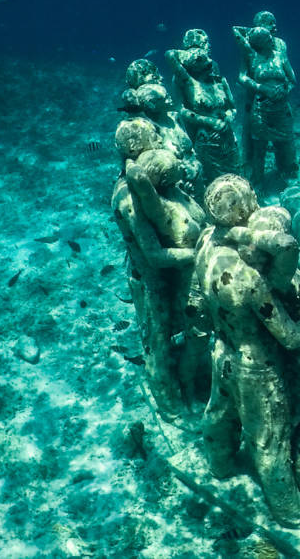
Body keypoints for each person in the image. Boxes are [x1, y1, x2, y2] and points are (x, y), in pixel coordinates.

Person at [192, 176, 300, 526]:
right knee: (269, 441)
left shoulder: (205, 240)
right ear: (246, 207)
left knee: (219, 412)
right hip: (256, 365)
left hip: (221, 348)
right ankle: (290, 511)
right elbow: (290, 337)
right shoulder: (249, 276)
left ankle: (220, 465)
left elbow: (196, 299)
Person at [111, 147, 207, 418]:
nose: (181, 165)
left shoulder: (168, 192)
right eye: (173, 166)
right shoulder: (142, 202)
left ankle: (187, 380)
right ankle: (175, 396)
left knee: (188, 335)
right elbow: (153, 255)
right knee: (172, 340)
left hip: (183, 277)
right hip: (169, 282)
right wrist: (198, 253)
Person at [166, 33, 240, 183]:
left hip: (228, 137)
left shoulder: (216, 75)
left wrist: (229, 117)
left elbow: (232, 106)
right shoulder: (183, 79)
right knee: (215, 182)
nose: (208, 48)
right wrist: (209, 122)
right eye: (205, 44)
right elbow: (181, 110)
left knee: (236, 177)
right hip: (205, 139)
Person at [234, 17, 298, 187]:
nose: (272, 39)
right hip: (261, 108)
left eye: (271, 37)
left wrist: (284, 91)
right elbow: (241, 77)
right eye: (268, 38)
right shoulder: (251, 56)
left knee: (285, 142)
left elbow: (293, 79)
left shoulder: (280, 54)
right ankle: (258, 181)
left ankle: (286, 175)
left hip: (281, 107)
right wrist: (262, 88)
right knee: (259, 147)